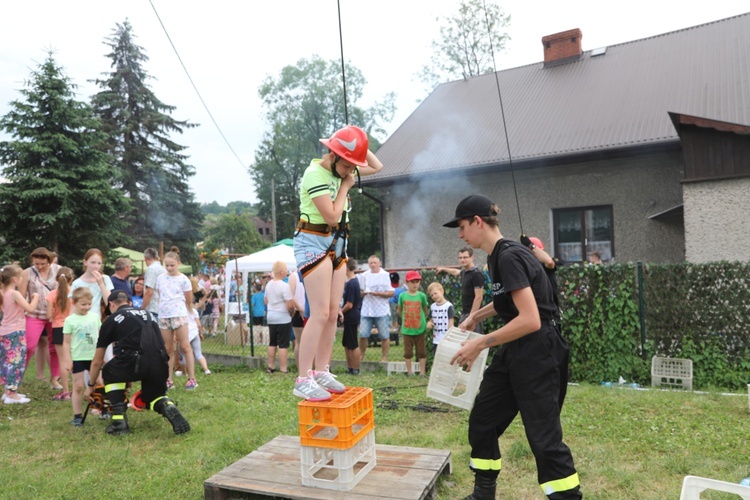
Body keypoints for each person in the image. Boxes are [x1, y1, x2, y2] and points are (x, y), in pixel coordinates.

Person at [443, 194, 581, 499]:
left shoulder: (508, 256)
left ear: (478, 222)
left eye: (463, 226)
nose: (461, 234)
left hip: (538, 350)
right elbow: (509, 301)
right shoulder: (498, 256)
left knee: (544, 438)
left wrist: (480, 343)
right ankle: (483, 494)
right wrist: (474, 317)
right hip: (516, 350)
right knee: (484, 419)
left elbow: (531, 319)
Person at [293, 125, 383, 400]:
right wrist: (345, 186)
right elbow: (332, 216)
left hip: (338, 244)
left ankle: (321, 371)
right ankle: (302, 378)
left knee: (333, 312)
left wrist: (356, 141)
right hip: (314, 242)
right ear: (333, 156)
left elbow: (377, 166)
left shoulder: (342, 166)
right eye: (347, 166)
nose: (351, 172)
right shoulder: (314, 174)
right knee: (319, 313)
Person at [84, 290, 190, 435]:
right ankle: (167, 405)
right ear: (129, 302)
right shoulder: (148, 314)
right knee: (152, 397)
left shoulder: (112, 319)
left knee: (109, 370)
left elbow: (97, 360)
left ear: (111, 305)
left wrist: (90, 386)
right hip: (160, 362)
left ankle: (119, 422)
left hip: (135, 361)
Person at [17, 247, 60, 388]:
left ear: (50, 261)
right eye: (37, 263)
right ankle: (17, 378)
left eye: (43, 263)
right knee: (29, 346)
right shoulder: (27, 273)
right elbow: (21, 296)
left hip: (54, 315)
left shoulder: (59, 271)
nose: (40, 266)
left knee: (55, 347)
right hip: (34, 314)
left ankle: (55, 379)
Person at [155, 251, 196, 390]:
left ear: (179, 264)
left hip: (179, 314)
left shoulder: (184, 279)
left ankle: (192, 379)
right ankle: (168, 379)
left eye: (172, 265)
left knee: (185, 346)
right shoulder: (160, 278)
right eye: (167, 265)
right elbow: (161, 295)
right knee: (168, 348)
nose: (169, 268)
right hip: (164, 315)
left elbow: (188, 299)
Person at [62, 287, 102, 427]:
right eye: (83, 304)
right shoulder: (69, 320)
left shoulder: (95, 317)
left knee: (99, 383)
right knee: (78, 386)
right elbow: (66, 343)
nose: (87, 307)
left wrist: (101, 355)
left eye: (89, 304)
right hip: (78, 357)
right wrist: (68, 359)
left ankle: (101, 408)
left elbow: (100, 337)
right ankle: (77, 415)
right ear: (73, 303)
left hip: (93, 358)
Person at [1, 265, 39, 404]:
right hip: (15, 332)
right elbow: (30, 308)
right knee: (16, 363)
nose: (23, 279)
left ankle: (8, 392)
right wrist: (35, 297)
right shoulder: (14, 294)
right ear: (14, 279)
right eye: (21, 277)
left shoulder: (2, 292)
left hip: (5, 331)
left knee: (7, 362)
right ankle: (11, 394)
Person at [436, 247, 486, 333]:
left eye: (465, 257)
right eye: (460, 258)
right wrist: (443, 269)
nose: (462, 260)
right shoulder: (465, 272)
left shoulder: (476, 274)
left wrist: (471, 317)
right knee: (462, 340)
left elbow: (479, 297)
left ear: (472, 257)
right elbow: (456, 272)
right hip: (465, 313)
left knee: (473, 342)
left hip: (474, 315)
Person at [46, 267, 75, 401]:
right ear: (72, 279)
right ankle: (77, 389)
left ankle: (65, 391)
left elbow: (48, 316)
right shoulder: (74, 293)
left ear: (57, 279)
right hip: (73, 327)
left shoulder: (52, 294)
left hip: (58, 328)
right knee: (75, 359)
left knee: (63, 361)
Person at [358, 255, 394, 364]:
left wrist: (378, 293)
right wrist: (363, 293)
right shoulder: (364, 276)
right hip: (367, 309)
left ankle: (384, 358)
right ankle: (361, 355)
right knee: (363, 334)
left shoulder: (386, 276)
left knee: (384, 335)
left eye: (375, 263)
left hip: (381, 310)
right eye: (371, 263)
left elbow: (391, 292)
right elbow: (359, 293)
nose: (373, 265)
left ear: (379, 263)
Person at [397, 270, 429, 376]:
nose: (415, 284)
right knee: (408, 353)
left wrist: (422, 320)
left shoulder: (422, 296)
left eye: (417, 282)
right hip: (407, 329)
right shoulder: (402, 296)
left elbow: (425, 309)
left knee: (421, 352)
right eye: (412, 282)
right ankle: (410, 372)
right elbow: (399, 310)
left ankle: (422, 372)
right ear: (407, 283)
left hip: (420, 328)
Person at [264, 261, 293, 374]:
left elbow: (265, 300)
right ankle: (283, 368)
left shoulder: (268, 284)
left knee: (272, 342)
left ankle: (270, 366)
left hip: (271, 316)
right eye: (286, 270)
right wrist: (292, 312)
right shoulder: (284, 286)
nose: (287, 272)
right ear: (281, 272)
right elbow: (290, 304)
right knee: (283, 344)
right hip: (283, 317)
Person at [70, 248, 114, 321]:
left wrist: (101, 284)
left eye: (99, 263)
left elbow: (109, 303)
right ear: (85, 262)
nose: (96, 266)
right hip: (81, 320)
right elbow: (73, 306)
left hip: (99, 320)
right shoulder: (77, 283)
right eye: (93, 262)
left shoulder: (105, 279)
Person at [340, 259, 362, 375]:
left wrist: (340, 312)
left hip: (352, 315)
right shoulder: (352, 282)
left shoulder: (351, 284)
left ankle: (355, 368)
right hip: (351, 316)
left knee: (353, 343)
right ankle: (350, 367)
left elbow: (349, 304)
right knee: (347, 343)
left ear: (347, 268)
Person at [426, 282, 454, 351]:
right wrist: (429, 323)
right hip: (436, 339)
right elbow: (431, 319)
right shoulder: (432, 307)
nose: (434, 296)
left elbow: (451, 322)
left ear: (442, 291)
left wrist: (449, 336)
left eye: (435, 293)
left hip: (446, 339)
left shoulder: (449, 306)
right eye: (432, 295)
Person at [141, 247, 166, 319]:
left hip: (153, 308)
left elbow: (149, 292)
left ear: (145, 258)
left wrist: (142, 308)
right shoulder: (163, 269)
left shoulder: (151, 269)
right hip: (162, 308)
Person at [287, 271, 305, 361]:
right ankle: (301, 369)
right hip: (298, 312)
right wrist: (300, 308)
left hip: (311, 311)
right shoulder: (294, 276)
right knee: (300, 341)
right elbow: (290, 295)